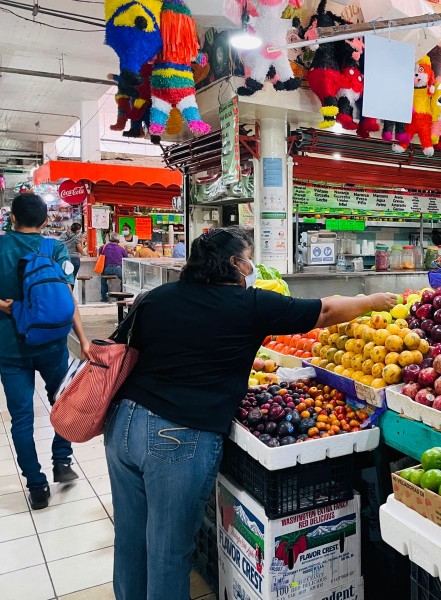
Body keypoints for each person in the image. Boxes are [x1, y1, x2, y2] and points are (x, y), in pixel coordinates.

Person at [105, 227, 397, 599]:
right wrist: (372, 300)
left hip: (123, 426)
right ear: (235, 264)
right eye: (249, 257)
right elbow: (324, 311)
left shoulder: (156, 297)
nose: (252, 265)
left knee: (130, 538)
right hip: (177, 436)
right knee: (168, 550)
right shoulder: (250, 305)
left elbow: (124, 351)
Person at [0, 194, 90, 509]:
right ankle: (62, 459)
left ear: (12, 218)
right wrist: (83, 339)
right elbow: (66, 298)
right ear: (44, 221)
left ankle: (37, 487)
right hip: (53, 344)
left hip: (10, 346)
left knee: (22, 417)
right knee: (63, 403)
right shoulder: (57, 249)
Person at [99, 233, 128, 302]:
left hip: (107, 268)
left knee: (103, 280)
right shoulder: (121, 248)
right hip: (118, 268)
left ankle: (104, 298)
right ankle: (121, 297)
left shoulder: (103, 247)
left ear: (110, 239)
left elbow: (100, 255)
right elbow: (126, 258)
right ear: (118, 240)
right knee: (125, 280)